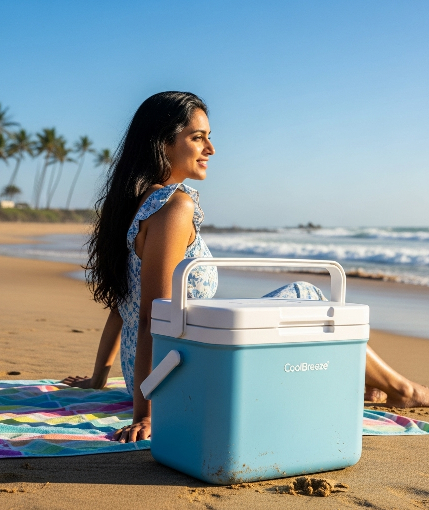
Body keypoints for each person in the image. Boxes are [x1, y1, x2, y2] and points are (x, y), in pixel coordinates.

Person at [63, 91, 429, 443]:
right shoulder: (173, 208)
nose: (211, 149)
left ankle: (371, 384)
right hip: (173, 376)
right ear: (163, 142)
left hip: (144, 375)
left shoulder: (134, 204)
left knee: (272, 312)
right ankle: (403, 389)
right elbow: (151, 317)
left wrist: (100, 378)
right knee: (307, 295)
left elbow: (121, 305)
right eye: (198, 137)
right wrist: (147, 413)